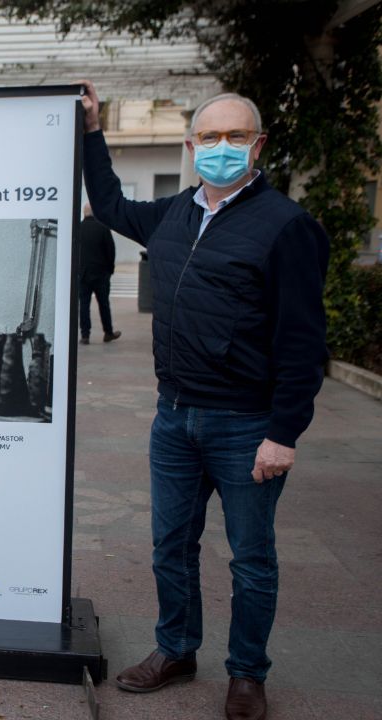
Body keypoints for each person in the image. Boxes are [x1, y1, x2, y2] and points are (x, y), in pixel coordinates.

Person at [80, 81, 329, 720]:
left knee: (251, 558)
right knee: (171, 544)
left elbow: (303, 343)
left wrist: (284, 433)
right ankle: (177, 649)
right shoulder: (175, 213)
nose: (221, 147)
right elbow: (107, 202)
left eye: (236, 136)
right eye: (210, 136)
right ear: (192, 145)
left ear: (258, 144)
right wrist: (92, 130)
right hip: (174, 417)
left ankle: (247, 673)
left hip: (247, 425)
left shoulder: (287, 227)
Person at [77, 203, 121, 344]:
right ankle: (108, 333)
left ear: (84, 213)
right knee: (104, 304)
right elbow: (110, 250)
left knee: (84, 305)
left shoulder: (77, 228)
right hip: (101, 274)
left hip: (83, 274)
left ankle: (85, 335)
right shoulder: (103, 228)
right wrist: (110, 269)